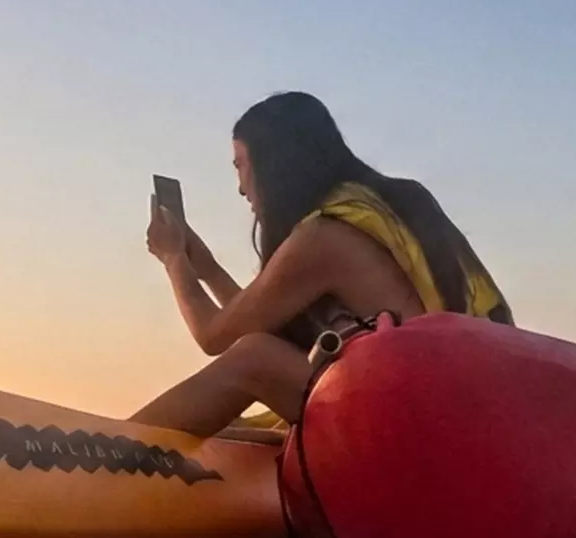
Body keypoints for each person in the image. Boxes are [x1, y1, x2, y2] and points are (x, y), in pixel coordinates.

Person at [131, 92, 513, 436]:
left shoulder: (324, 236)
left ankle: (98, 452)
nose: (241, 187)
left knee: (255, 357)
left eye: (241, 166)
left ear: (274, 165)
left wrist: (173, 260)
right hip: (462, 402)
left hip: (424, 418)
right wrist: (208, 267)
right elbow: (263, 318)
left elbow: (216, 337)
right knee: (239, 396)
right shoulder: (382, 204)